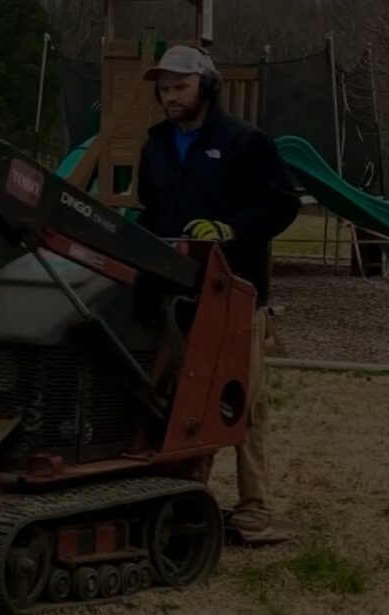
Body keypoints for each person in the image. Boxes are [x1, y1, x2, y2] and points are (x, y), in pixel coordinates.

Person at [137, 45, 301, 545]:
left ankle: (254, 511)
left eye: (179, 87)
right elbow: (152, 209)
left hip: (236, 295)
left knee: (242, 404)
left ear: (205, 87)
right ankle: (185, 501)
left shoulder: (244, 143)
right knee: (173, 398)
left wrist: (230, 230)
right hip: (173, 296)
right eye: (164, 89)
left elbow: (283, 206)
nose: (169, 96)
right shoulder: (156, 145)